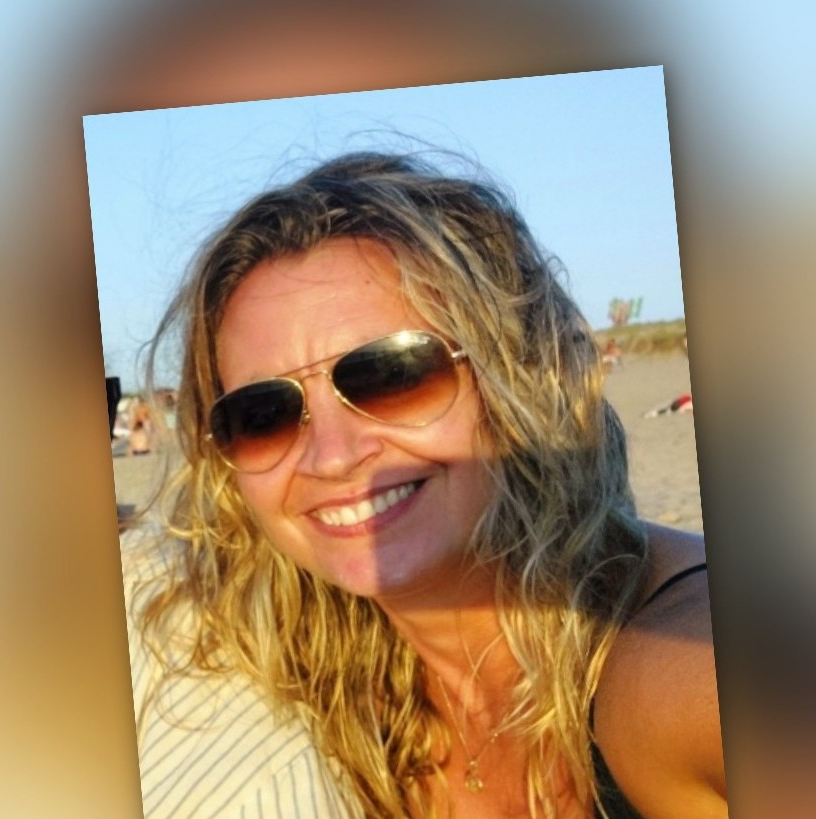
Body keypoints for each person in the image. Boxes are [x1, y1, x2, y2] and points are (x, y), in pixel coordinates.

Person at [135, 152, 726, 817]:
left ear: (517, 375)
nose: (331, 457)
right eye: (262, 415)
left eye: (392, 375)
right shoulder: (351, 689)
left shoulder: (667, 665)